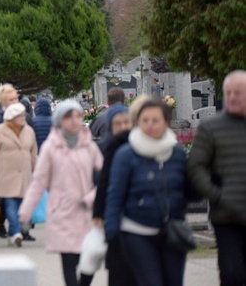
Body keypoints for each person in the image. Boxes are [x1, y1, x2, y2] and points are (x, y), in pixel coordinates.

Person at [104, 100, 189, 286]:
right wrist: (112, 234)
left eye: (155, 120)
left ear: (165, 122)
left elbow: (187, 190)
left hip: (172, 231)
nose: (150, 125)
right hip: (137, 231)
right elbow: (115, 194)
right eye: (145, 120)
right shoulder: (126, 154)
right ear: (138, 123)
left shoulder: (177, 154)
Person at [19, 100, 103, 286]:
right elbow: (39, 182)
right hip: (62, 213)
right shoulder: (51, 147)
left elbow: (105, 179)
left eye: (77, 116)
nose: (74, 121)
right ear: (59, 120)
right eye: (68, 117)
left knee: (89, 261)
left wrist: (91, 198)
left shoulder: (89, 146)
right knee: (69, 261)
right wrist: (26, 212)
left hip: (86, 214)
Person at [188, 70, 246, 286]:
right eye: (228, 92)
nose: (232, 97)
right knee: (232, 273)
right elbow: (196, 166)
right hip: (227, 215)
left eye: (238, 93)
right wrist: (216, 195)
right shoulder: (210, 128)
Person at [92, 99, 141, 286]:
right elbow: (101, 181)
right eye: (117, 123)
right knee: (117, 267)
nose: (122, 127)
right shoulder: (105, 147)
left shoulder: (140, 145)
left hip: (135, 212)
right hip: (113, 212)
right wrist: (98, 213)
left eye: (126, 122)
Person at [0, 103, 38, 246]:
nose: (23, 117)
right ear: (11, 117)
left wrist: (36, 172)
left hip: (25, 174)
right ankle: (15, 233)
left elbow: (34, 154)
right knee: (10, 204)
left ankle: (17, 230)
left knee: (22, 205)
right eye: (19, 116)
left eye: (23, 115)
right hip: (6, 175)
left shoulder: (29, 131)